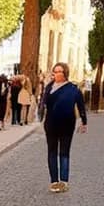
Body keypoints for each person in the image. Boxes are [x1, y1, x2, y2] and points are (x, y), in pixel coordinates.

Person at [41, 62, 87, 193]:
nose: (56, 74)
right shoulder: (48, 88)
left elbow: (81, 105)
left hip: (67, 124)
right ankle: (54, 181)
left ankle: (64, 181)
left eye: (59, 71)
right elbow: (43, 105)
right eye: (54, 71)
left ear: (65, 73)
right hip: (51, 123)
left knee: (64, 152)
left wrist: (84, 122)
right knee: (52, 151)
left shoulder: (73, 89)